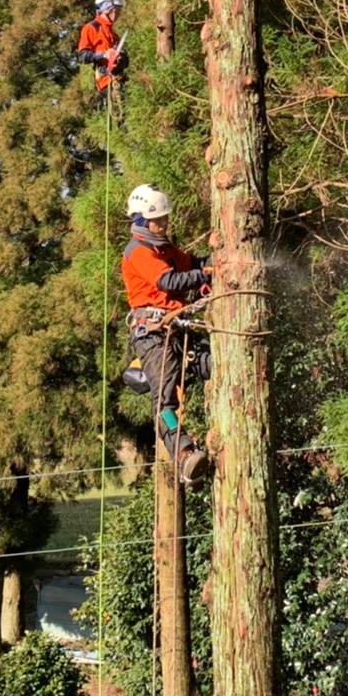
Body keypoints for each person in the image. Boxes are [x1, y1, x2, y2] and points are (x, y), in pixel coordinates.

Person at [121, 183, 213, 487]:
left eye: (164, 218)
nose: (164, 223)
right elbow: (170, 281)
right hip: (153, 336)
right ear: (142, 221)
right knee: (165, 403)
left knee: (214, 362)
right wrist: (206, 274)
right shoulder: (138, 252)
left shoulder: (166, 250)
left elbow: (193, 264)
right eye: (158, 220)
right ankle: (185, 455)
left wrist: (213, 262)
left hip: (177, 331)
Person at [78, 0, 129, 93]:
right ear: (107, 8)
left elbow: (126, 62)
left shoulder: (114, 35)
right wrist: (104, 55)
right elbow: (83, 56)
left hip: (118, 82)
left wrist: (121, 58)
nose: (118, 13)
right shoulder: (91, 28)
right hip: (104, 85)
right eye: (116, 9)